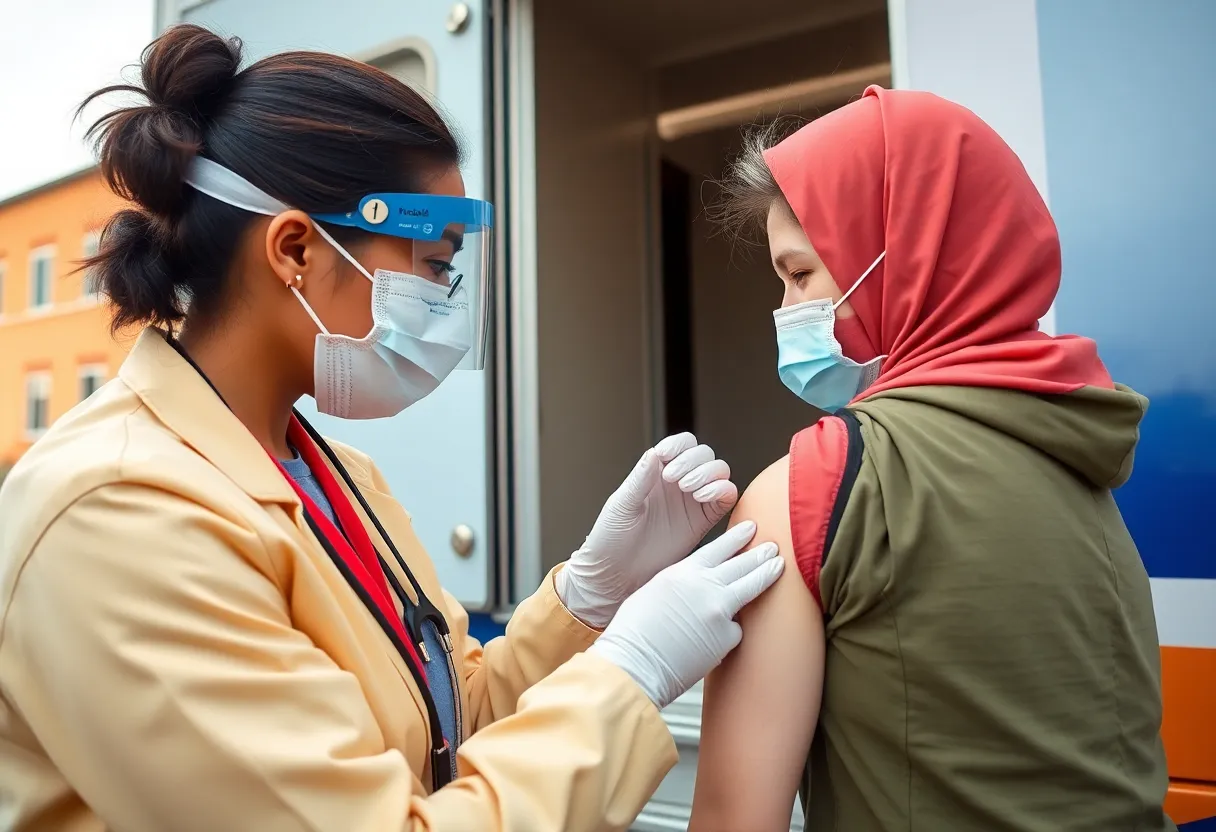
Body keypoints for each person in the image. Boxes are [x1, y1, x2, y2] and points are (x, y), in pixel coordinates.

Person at [0, 26, 785, 832]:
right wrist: (631, 673)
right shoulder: (119, 511)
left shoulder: (334, 475)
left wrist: (587, 598)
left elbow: (453, 727)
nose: (448, 301)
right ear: (295, 249)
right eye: (435, 265)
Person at [688, 86, 1174, 832]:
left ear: (903, 262)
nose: (784, 311)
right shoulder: (1087, 460)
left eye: (800, 274)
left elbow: (733, 820)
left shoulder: (811, 491)